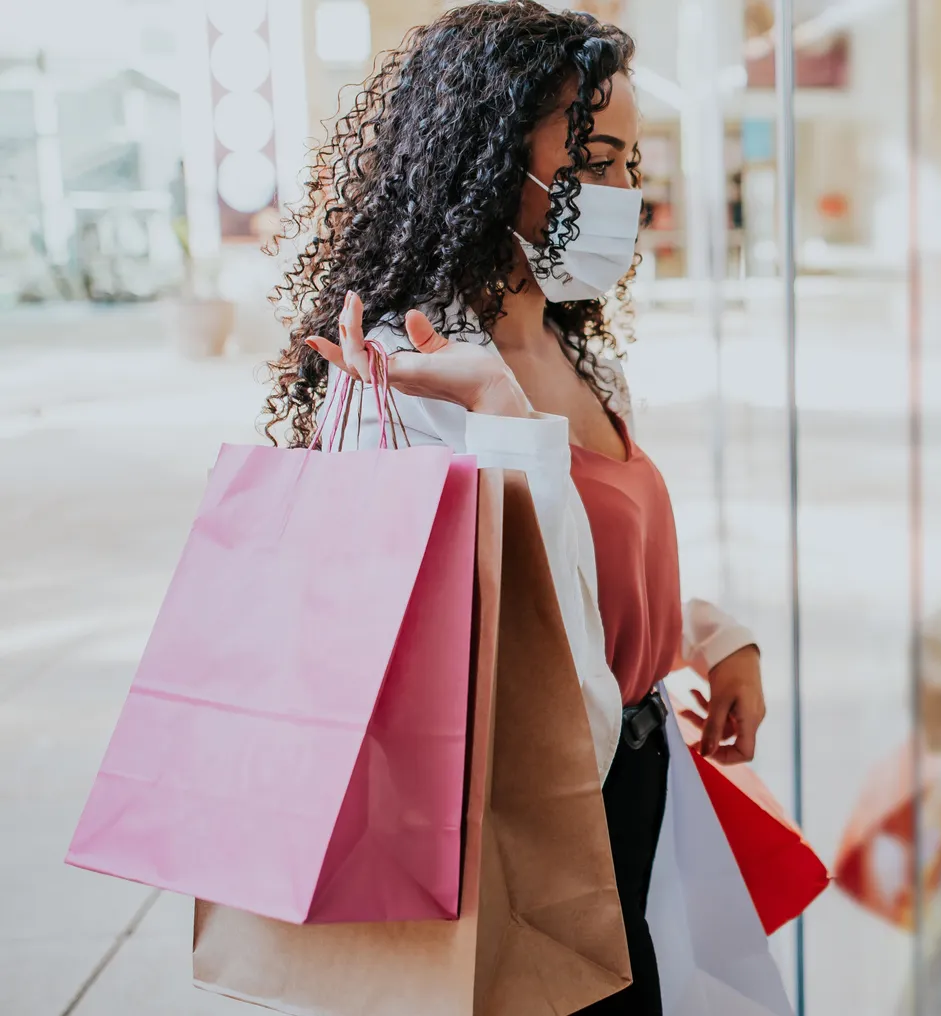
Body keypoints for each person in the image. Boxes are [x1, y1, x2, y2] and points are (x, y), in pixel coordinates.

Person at [259, 5, 765, 1012]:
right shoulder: (404, 388)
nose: (625, 193)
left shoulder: (584, 357)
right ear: (484, 168)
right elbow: (523, 684)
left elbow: (592, 576)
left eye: (630, 162)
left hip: (633, 793)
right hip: (519, 833)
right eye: (593, 160)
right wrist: (494, 408)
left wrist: (707, 630)